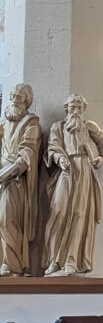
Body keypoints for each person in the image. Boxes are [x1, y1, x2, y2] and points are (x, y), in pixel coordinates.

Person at [43, 94, 103, 276]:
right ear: (66, 109)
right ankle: (53, 260)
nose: (76, 111)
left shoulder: (90, 127)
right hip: (66, 169)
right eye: (72, 107)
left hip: (84, 169)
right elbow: (53, 147)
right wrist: (60, 158)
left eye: (79, 108)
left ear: (83, 110)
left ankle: (71, 261)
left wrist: (102, 158)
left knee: (79, 214)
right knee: (58, 211)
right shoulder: (58, 127)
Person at [0, 84, 40, 276]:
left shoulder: (31, 124)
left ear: (27, 101)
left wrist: (4, 174)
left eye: (20, 97)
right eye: (13, 95)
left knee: (7, 219)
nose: (15, 99)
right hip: (3, 177)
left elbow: (26, 156)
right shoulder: (4, 124)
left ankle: (12, 265)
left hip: (14, 180)